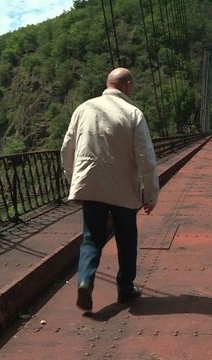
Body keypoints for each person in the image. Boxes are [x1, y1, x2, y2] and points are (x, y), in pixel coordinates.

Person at [61, 67, 159, 311]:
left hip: (90, 185)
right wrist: (150, 193)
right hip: (122, 188)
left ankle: (85, 280)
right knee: (127, 239)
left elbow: (67, 149)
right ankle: (125, 289)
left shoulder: (84, 108)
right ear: (126, 85)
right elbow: (145, 157)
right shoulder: (133, 113)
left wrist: (74, 179)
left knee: (91, 238)